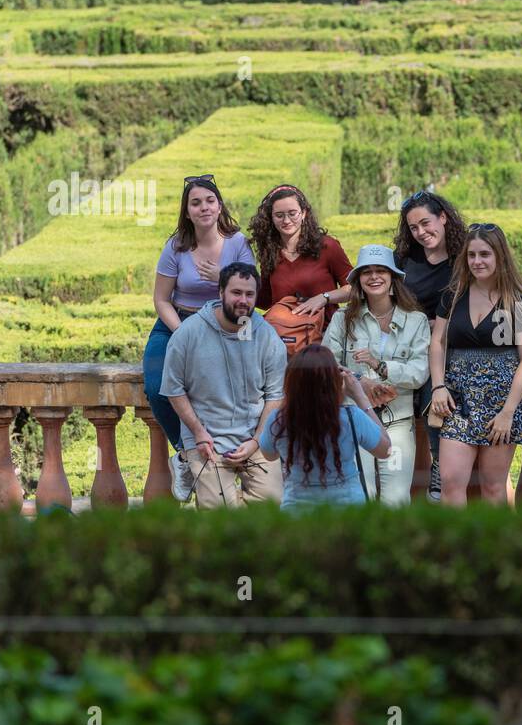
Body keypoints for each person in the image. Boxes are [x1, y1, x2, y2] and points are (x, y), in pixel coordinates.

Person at [145, 174, 257, 501]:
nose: (204, 207)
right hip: (178, 321)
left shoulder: (237, 243)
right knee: (156, 385)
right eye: (196, 203)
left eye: (209, 200)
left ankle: (242, 452)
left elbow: (250, 290)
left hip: (227, 321)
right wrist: (182, 333)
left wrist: (221, 274)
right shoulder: (176, 246)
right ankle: (184, 453)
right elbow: (161, 299)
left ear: (219, 205)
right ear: (187, 210)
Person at [160, 262, 287, 509]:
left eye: (250, 294)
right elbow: (173, 389)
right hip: (207, 440)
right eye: (236, 293)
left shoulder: (267, 337)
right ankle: (187, 460)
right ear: (220, 293)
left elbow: (275, 394)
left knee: (272, 507)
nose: (243, 300)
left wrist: (257, 440)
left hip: (253, 437)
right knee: (218, 513)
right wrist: (198, 433)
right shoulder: (188, 334)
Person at [429, 224, 522, 506]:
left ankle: (497, 549)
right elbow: (438, 342)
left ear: (500, 256)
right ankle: (455, 549)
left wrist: (508, 412)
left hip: (501, 402)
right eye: (471, 255)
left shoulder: (520, 301)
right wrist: (438, 386)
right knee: (451, 481)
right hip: (457, 399)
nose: (477, 262)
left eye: (485, 254)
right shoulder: (452, 296)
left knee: (492, 486)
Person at [324, 245, 431, 506]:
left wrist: (381, 367)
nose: (374, 277)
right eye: (366, 272)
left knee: (395, 500)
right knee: (359, 496)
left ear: (393, 277)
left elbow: (419, 372)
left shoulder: (416, 320)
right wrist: (360, 383)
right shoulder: (342, 319)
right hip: (354, 418)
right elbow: (327, 365)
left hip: (397, 420)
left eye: (381, 271)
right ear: (358, 280)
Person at [392, 190, 467, 501]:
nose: (421, 233)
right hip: (409, 343)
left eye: (426, 223)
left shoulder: (465, 256)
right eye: (413, 228)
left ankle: (440, 464)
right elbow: (371, 282)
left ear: (443, 217)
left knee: (436, 389)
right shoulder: (404, 260)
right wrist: (326, 297)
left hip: (453, 344)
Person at [259, 344, 392, 508]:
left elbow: (269, 454)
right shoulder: (351, 417)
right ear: (333, 383)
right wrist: (360, 396)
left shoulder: (278, 420)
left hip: (297, 514)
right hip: (348, 513)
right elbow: (385, 450)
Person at [250, 183, 353, 328]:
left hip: (324, 336)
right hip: (283, 338)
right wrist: (227, 281)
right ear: (271, 218)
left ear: (303, 213)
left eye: (292, 213)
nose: (286, 221)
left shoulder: (327, 246)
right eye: (279, 215)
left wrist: (324, 298)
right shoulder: (270, 252)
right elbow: (266, 299)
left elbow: (354, 288)